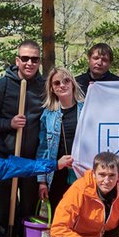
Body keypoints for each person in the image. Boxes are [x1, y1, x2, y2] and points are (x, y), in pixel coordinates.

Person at [0, 40, 46, 237]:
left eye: (34, 59)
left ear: (39, 61)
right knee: (5, 209)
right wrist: (9, 123)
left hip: (29, 161)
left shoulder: (43, 86)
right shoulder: (1, 86)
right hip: (4, 159)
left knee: (28, 208)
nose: (29, 63)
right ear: (17, 60)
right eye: (25, 58)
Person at [37, 67, 85, 213]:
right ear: (52, 88)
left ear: (72, 83)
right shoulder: (48, 115)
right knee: (60, 215)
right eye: (57, 83)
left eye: (66, 81)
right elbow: (43, 149)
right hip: (57, 173)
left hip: (81, 172)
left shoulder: (86, 109)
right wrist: (42, 181)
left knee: (82, 215)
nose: (62, 85)